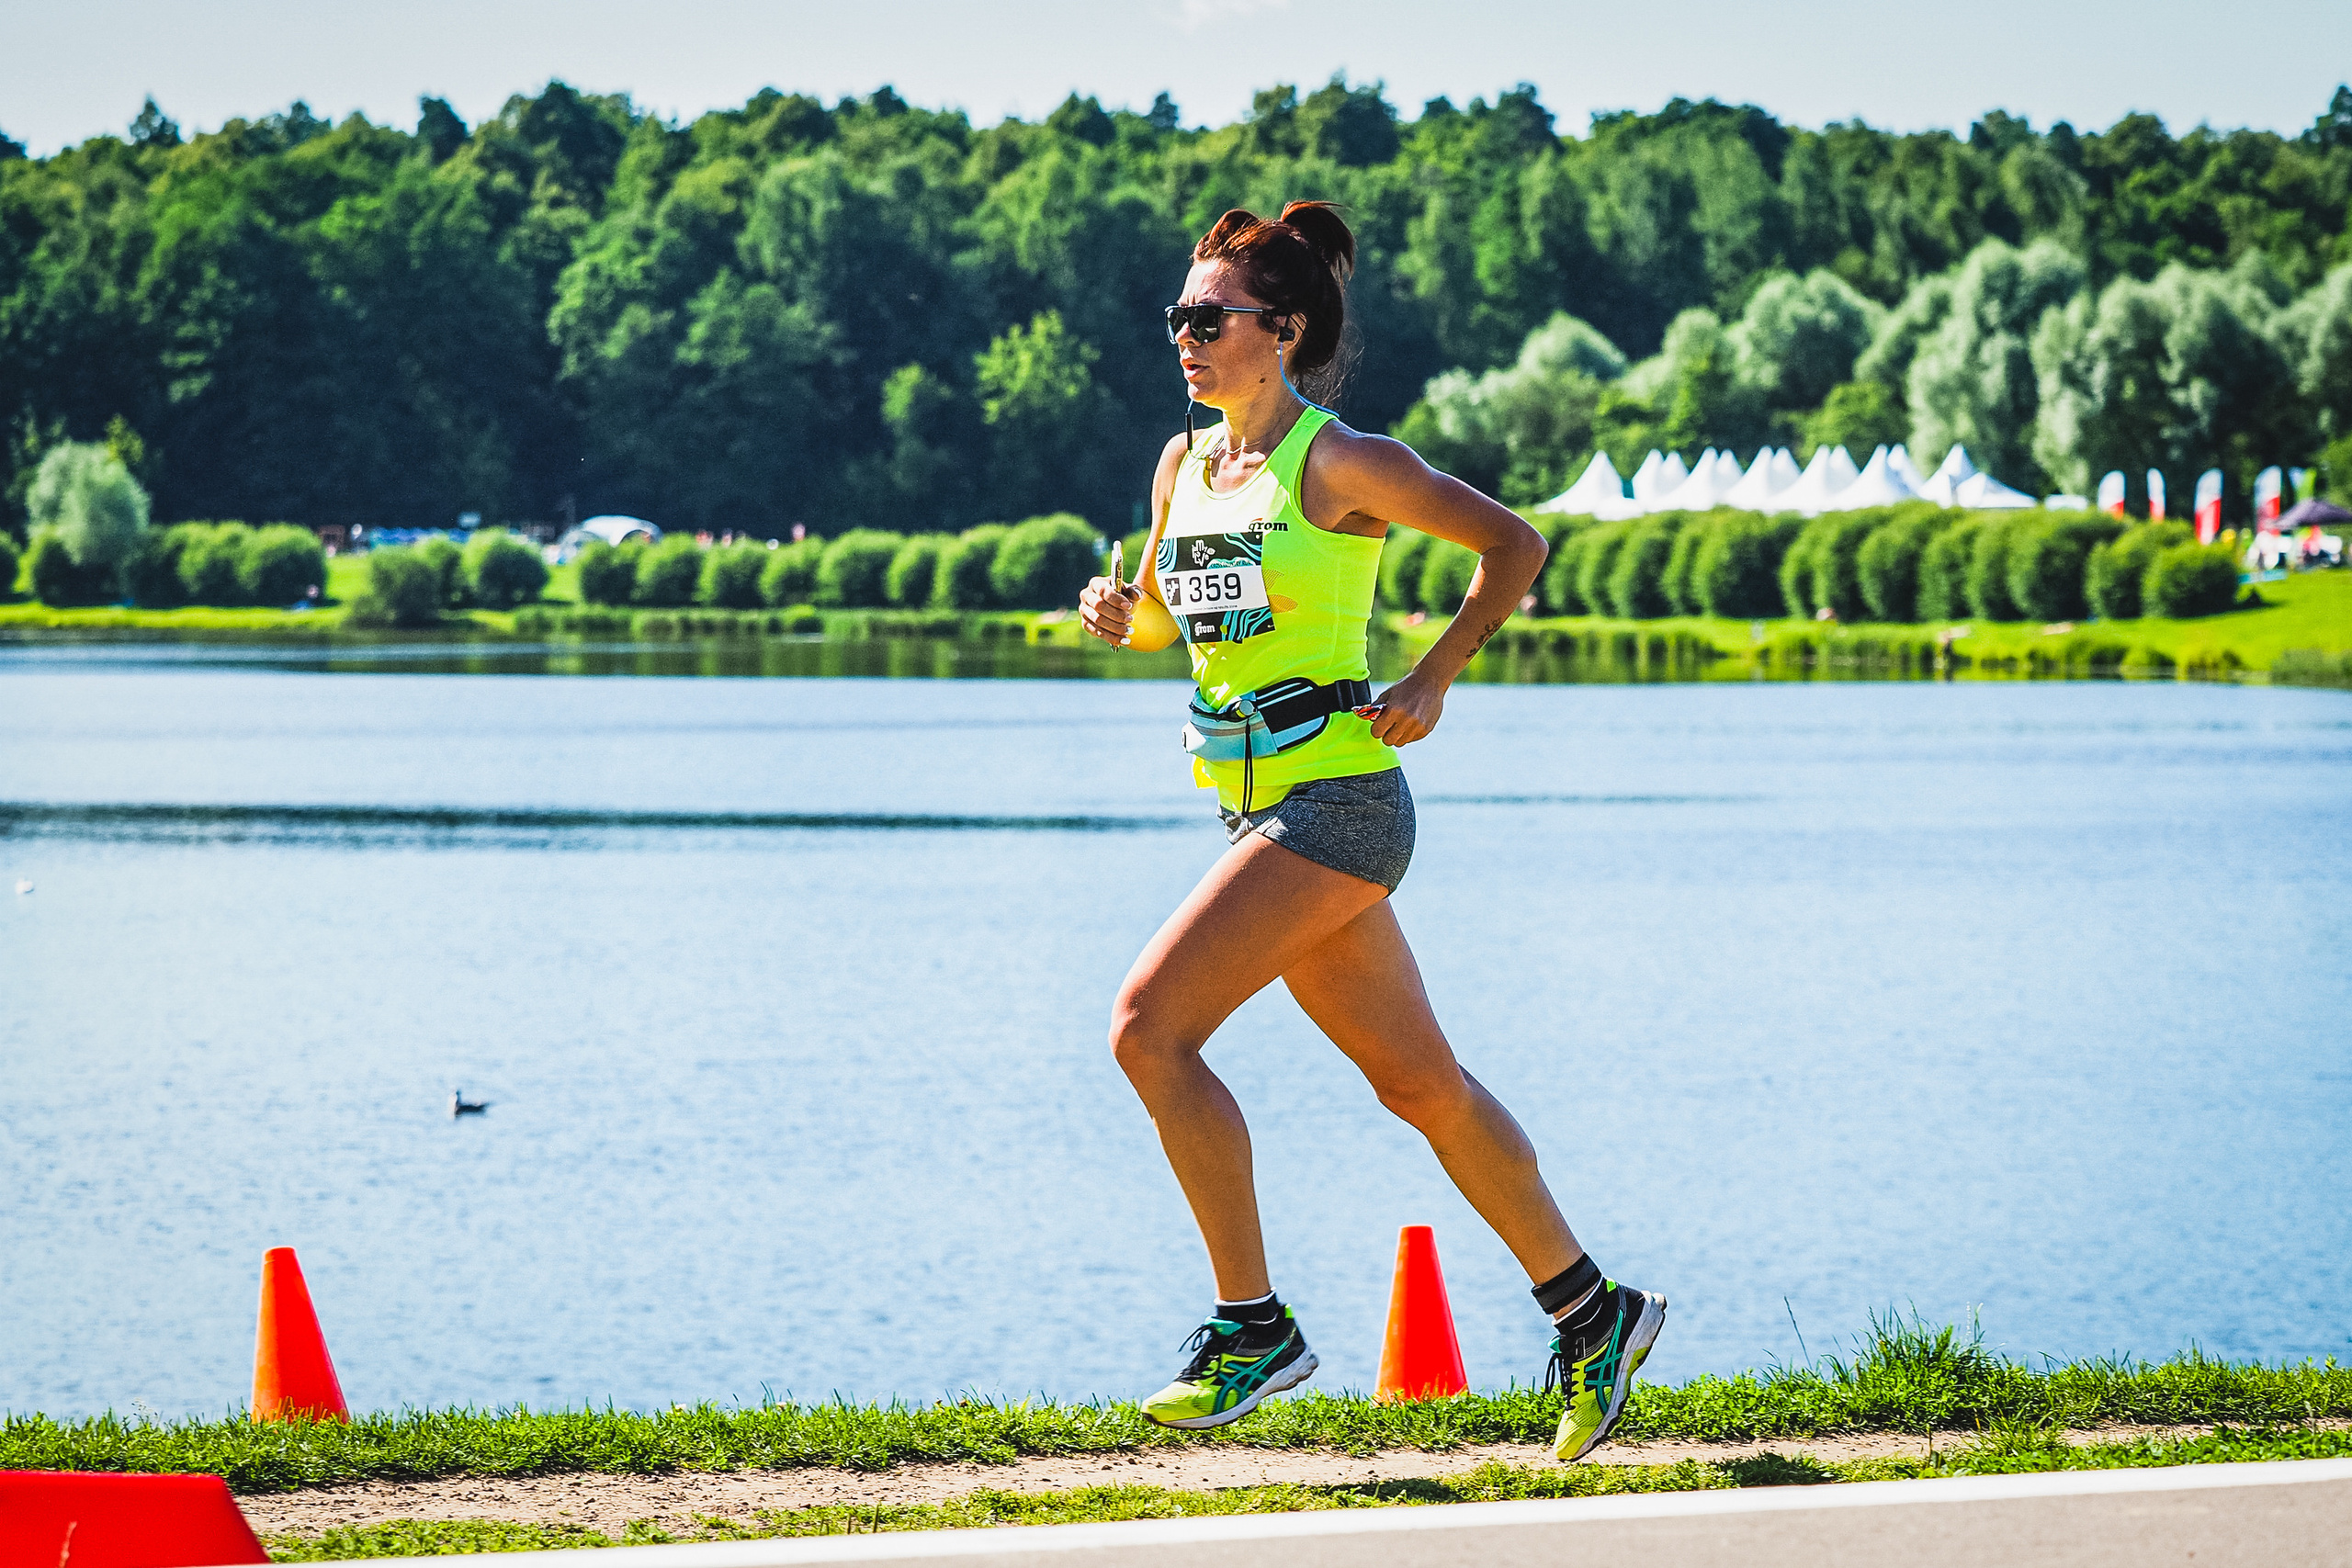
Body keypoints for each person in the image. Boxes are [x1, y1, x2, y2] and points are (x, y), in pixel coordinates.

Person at [1077, 202, 1666, 1462]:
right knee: (1420, 1086)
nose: (1184, 337)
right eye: (1178, 317)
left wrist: (1435, 676)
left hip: (1336, 807)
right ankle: (1593, 1311)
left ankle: (1253, 1328)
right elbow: (1178, 628)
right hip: (1256, 810)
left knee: (1147, 1029)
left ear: (1282, 331)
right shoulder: (1183, 467)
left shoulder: (1341, 463)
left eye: (1210, 319)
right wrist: (1122, 616)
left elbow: (1514, 544)